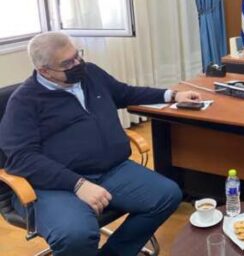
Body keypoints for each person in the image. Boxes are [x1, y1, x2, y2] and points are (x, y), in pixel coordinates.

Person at [0, 32, 201, 256]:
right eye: (67, 63)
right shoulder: (24, 102)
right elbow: (21, 158)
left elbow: (125, 93)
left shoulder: (90, 74)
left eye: (77, 56)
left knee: (167, 195)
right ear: (44, 71)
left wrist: (172, 95)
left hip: (110, 170)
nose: (77, 64)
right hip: (54, 185)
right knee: (76, 235)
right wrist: (78, 184)